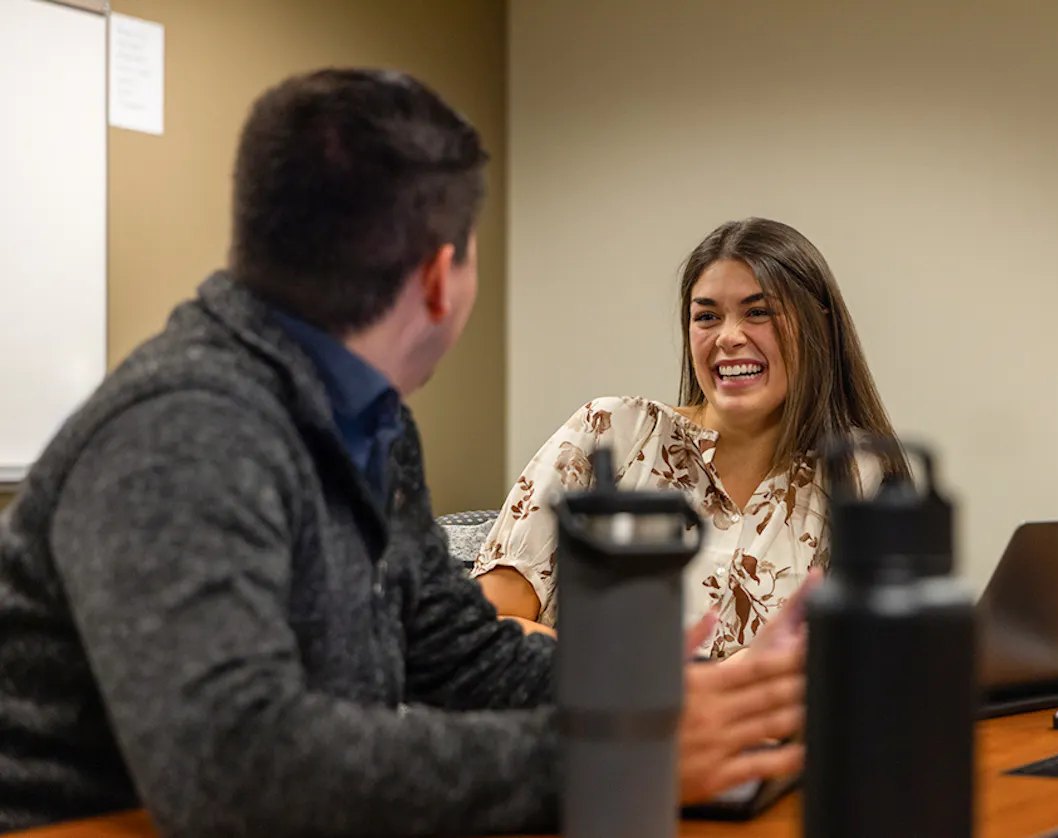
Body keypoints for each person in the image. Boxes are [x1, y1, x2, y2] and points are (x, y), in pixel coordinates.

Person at [0, 70, 804, 836]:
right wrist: (606, 758)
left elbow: (461, 658)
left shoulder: (366, 424)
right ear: (436, 278)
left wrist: (667, 699)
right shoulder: (181, 434)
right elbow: (235, 770)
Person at [474, 218, 905, 658]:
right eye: (707, 317)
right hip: (589, 723)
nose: (729, 337)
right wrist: (631, 682)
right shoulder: (610, 431)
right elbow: (486, 626)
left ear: (818, 325)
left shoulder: (860, 473)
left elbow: (875, 660)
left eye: (758, 312)